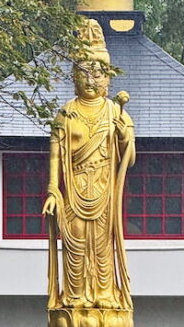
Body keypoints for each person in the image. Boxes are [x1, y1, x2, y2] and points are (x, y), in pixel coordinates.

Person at [42, 18, 135, 311]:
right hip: (74, 187)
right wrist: (52, 192)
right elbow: (55, 155)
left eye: (97, 74)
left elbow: (129, 159)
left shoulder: (114, 112)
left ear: (108, 78)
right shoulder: (65, 114)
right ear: (73, 76)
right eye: (84, 73)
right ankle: (76, 295)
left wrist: (122, 135)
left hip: (104, 189)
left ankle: (104, 294)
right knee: (75, 242)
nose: (91, 81)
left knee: (102, 245)